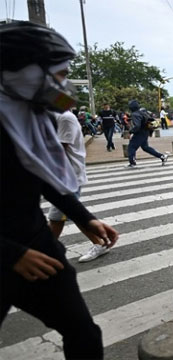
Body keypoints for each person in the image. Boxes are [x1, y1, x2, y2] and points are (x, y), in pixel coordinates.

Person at [0, 21, 119, 359]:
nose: (65, 86)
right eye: (60, 75)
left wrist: (84, 218)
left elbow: (41, 174)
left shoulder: (34, 114)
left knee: (82, 330)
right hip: (9, 250)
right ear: (22, 73)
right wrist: (10, 255)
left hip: (36, 241)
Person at [48, 109, 113, 262]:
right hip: (64, 175)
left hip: (68, 175)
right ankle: (99, 242)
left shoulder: (64, 118)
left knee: (61, 215)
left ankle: (47, 250)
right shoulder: (57, 116)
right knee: (66, 214)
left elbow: (59, 150)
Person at [126, 99, 169, 168]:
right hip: (146, 132)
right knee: (145, 147)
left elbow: (137, 126)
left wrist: (131, 131)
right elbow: (151, 120)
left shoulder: (134, 114)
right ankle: (162, 156)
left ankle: (132, 163)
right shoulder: (142, 112)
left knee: (131, 147)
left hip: (140, 132)